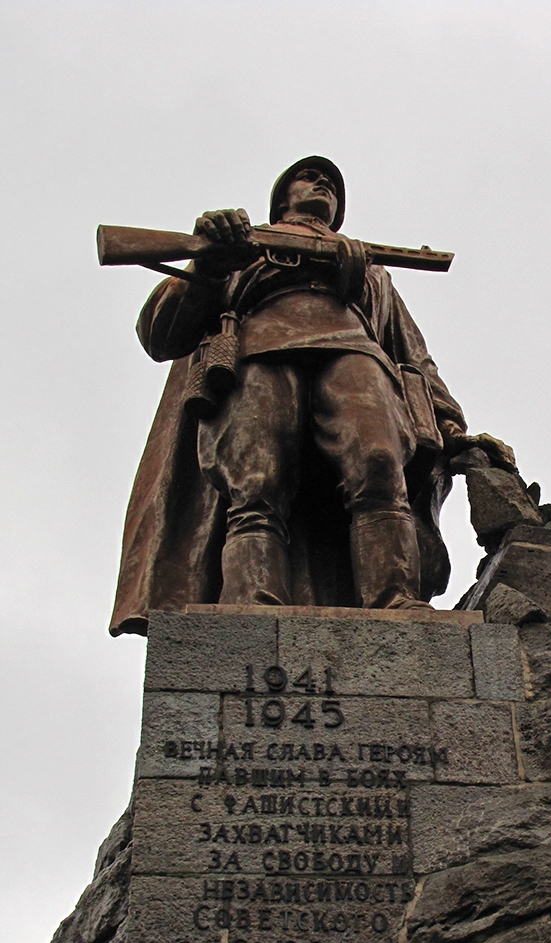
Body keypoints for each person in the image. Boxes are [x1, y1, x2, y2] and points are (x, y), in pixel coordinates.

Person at [110, 156, 509, 634]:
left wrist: (451, 424)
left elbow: (414, 354)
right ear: (282, 199)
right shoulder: (242, 243)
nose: (323, 184)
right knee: (255, 482)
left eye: (332, 184)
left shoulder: (369, 264)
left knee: (380, 464)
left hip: (355, 351)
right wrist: (209, 262)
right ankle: (253, 601)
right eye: (309, 176)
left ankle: (394, 598)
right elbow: (161, 333)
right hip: (258, 350)